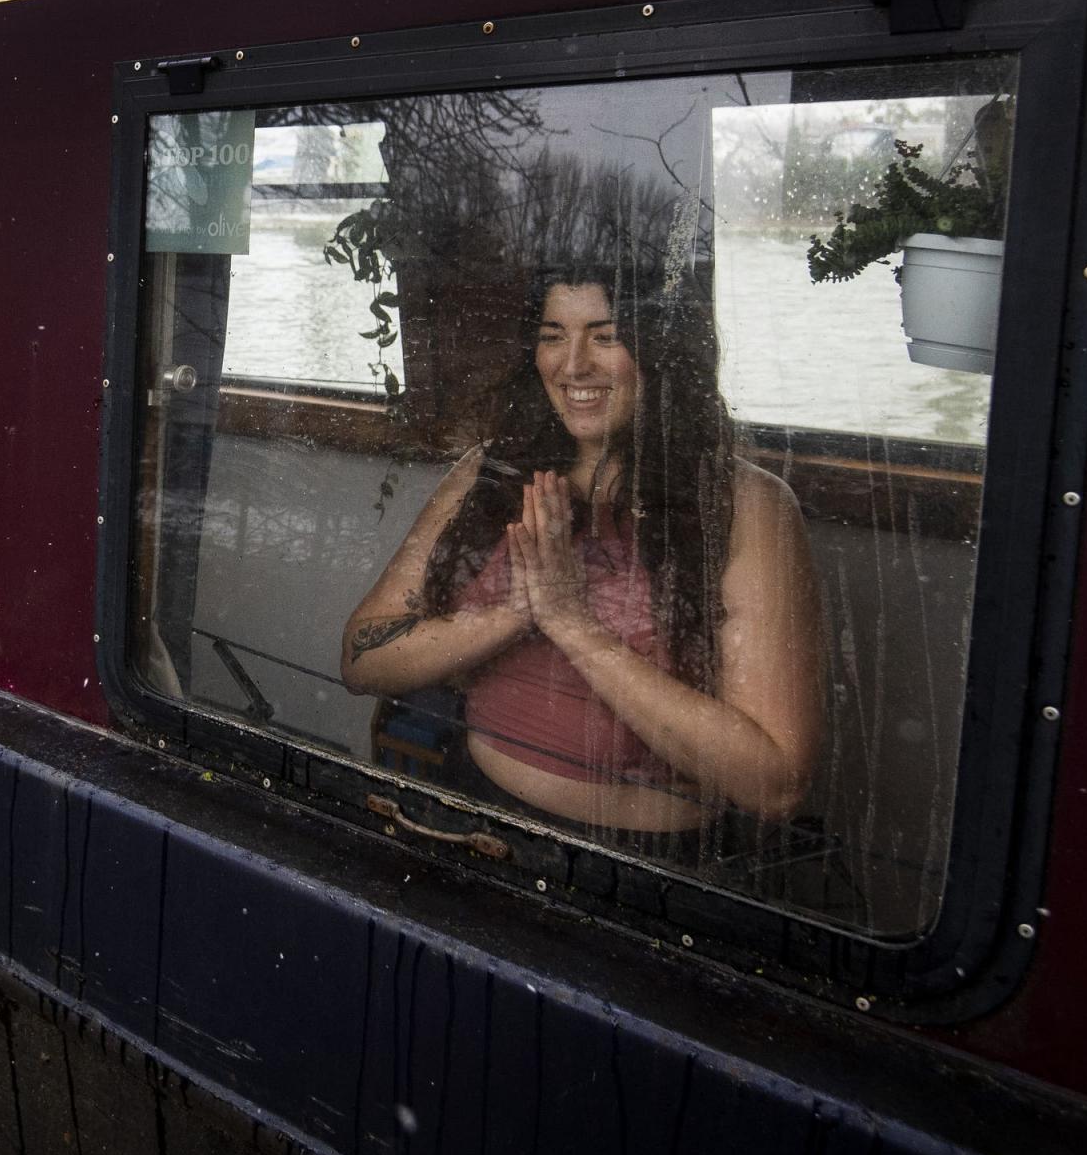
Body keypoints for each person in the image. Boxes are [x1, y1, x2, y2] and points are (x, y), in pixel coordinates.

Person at [340, 263, 825, 842]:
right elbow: (360, 659)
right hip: (473, 819)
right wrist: (514, 613)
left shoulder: (746, 506)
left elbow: (774, 784)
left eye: (605, 335)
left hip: (648, 862)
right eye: (552, 336)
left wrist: (571, 623)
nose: (573, 366)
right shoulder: (488, 476)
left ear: (664, 350)